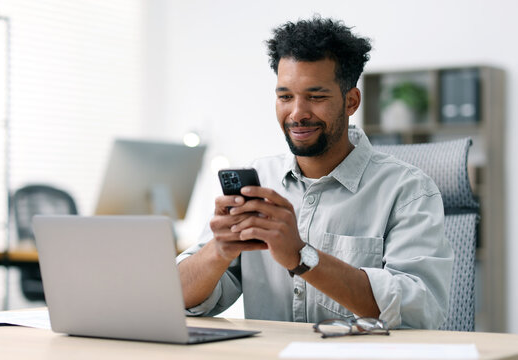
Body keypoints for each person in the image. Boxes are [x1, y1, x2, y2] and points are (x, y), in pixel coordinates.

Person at [177, 16, 453, 329]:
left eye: (316, 97)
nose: (297, 113)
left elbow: (419, 311)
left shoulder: (408, 191)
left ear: (351, 101)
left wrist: (302, 256)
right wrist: (219, 250)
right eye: (285, 97)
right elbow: (175, 300)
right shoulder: (260, 179)